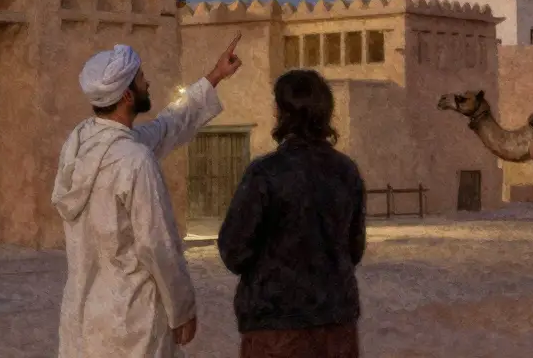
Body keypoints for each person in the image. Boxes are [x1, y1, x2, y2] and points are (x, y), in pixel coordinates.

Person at [52, 34, 243, 358]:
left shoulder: (81, 144)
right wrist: (182, 309)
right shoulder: (133, 160)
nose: (148, 82)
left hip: (85, 320)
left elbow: (166, 127)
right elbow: (158, 244)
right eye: (141, 78)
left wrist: (214, 77)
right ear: (127, 95)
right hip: (133, 324)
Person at [217, 68, 367, 358]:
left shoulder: (265, 173)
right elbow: (355, 249)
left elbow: (233, 251)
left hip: (276, 329)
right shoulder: (346, 172)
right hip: (336, 325)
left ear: (282, 113)